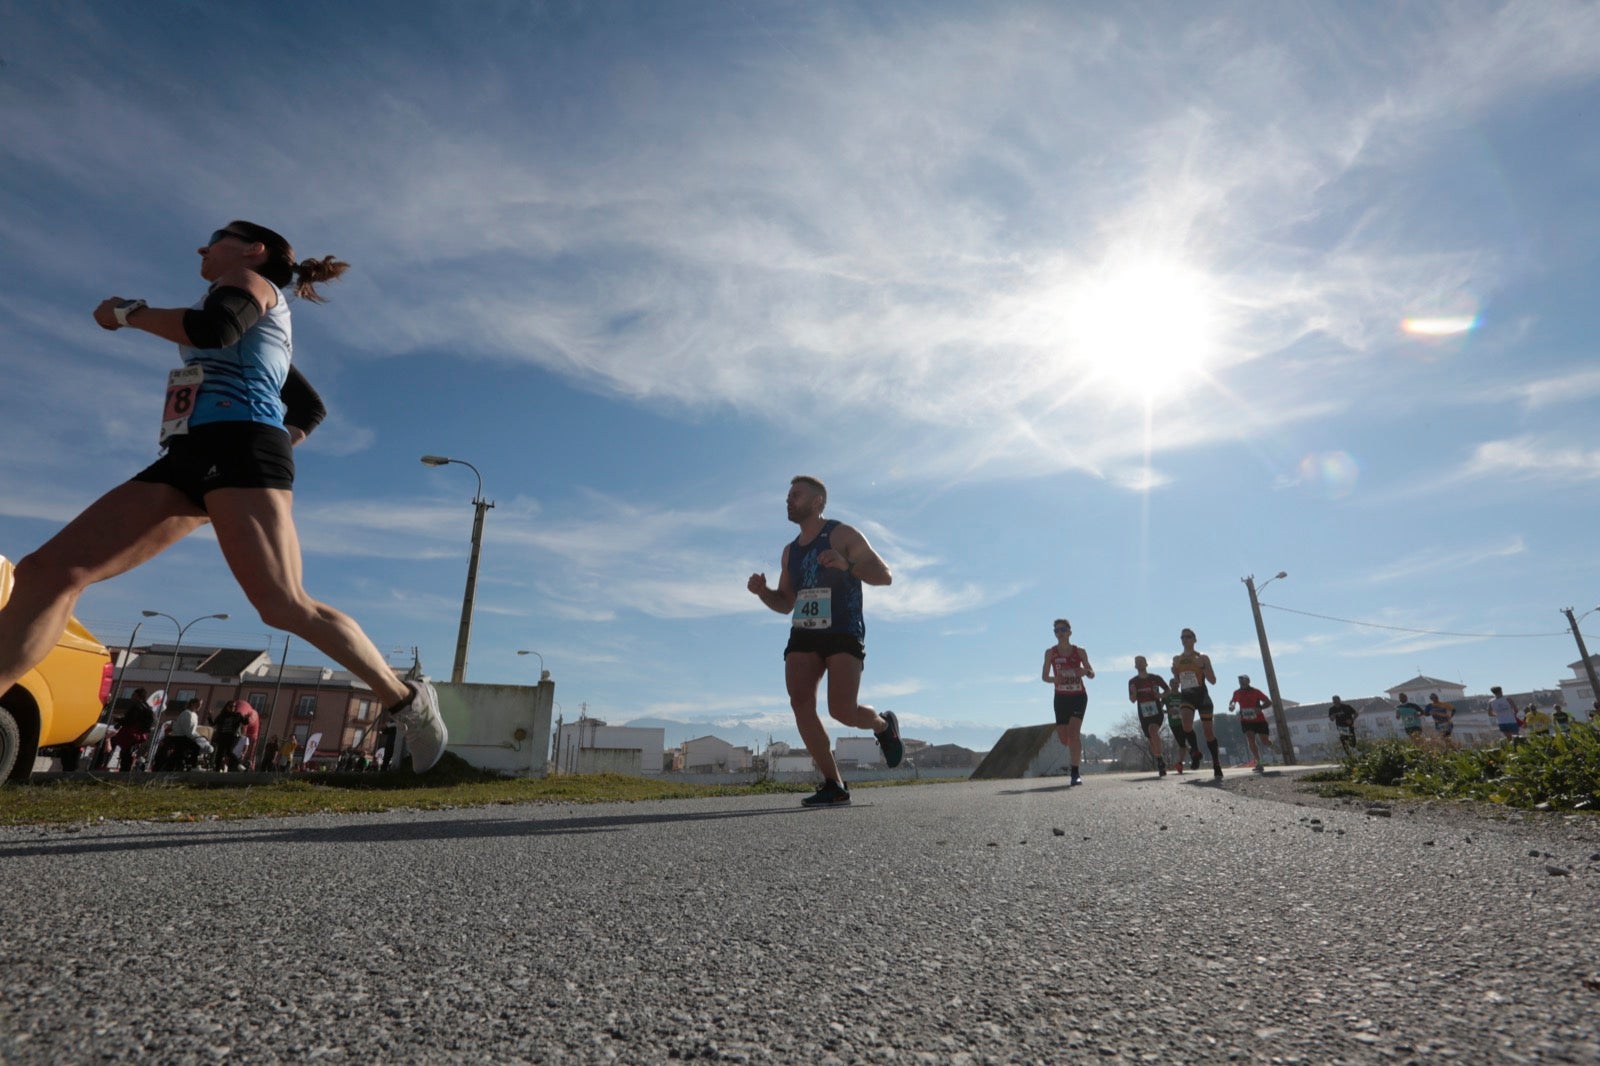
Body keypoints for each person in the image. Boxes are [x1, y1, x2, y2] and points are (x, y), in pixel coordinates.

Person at [0, 221, 446, 776]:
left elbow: (215, 329)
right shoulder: (259, 314)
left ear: (252, 250)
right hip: (188, 457)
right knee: (49, 570)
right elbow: (307, 406)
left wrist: (126, 313)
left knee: (282, 604)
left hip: (242, 451)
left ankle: (405, 699)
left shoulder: (248, 284)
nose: (200, 249)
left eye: (213, 238)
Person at [747, 476, 902, 807]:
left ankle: (882, 725)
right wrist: (763, 593)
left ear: (817, 502)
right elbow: (785, 601)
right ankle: (834, 783)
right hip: (804, 631)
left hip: (843, 628)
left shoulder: (842, 534)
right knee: (800, 701)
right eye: (787, 495)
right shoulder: (790, 552)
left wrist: (848, 565)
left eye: (796, 495)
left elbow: (884, 575)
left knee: (842, 710)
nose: (788, 500)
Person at [1041, 619, 1096, 785]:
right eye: (1056, 630)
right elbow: (1044, 677)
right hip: (1061, 698)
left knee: (1073, 734)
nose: (1060, 632)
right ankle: (1074, 763)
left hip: (1078, 696)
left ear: (1070, 632)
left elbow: (1092, 673)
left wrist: (1085, 671)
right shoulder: (1050, 653)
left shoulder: (1080, 652)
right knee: (1065, 739)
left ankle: (1075, 773)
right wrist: (1054, 679)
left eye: (1063, 629)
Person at [1172, 629, 1223, 779]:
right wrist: (1175, 673)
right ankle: (1195, 751)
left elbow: (1213, 680)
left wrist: (1203, 667)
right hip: (1187, 696)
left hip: (1202, 696)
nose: (1185, 639)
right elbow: (1179, 681)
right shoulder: (1177, 659)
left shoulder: (1203, 657)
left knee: (1208, 732)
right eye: (1182, 637)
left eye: (1188, 637)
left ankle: (1216, 763)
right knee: (1186, 725)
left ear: (1195, 640)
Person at [1128, 656, 1169, 777]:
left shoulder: (1155, 678)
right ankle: (1159, 759)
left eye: (1141, 662)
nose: (1139, 664)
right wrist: (1134, 693)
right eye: (1137, 662)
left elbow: (1168, 690)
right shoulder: (1132, 682)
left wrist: (1160, 696)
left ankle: (1160, 762)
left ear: (1146, 664)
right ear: (1135, 666)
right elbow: (1132, 700)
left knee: (1153, 730)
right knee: (1151, 738)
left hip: (1156, 711)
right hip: (1143, 713)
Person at [1229, 675, 1274, 773]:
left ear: (1249, 681)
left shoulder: (1256, 692)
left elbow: (1268, 702)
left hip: (1259, 720)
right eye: (1240, 681)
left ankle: (1271, 745)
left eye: (1244, 681)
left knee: (1265, 741)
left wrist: (1260, 708)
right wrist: (1231, 706)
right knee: (1250, 738)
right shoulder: (1237, 692)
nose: (1242, 683)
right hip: (1246, 720)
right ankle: (1259, 762)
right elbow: (1232, 702)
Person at [109, 688, 155, 773]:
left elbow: (130, 720)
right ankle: (126, 771)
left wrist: (119, 720)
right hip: (139, 734)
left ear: (139, 697)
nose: (131, 697)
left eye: (134, 695)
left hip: (130, 733)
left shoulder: (136, 706)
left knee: (125, 753)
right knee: (130, 753)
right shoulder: (147, 708)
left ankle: (124, 772)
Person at [1162, 677, 1189, 774]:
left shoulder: (1183, 696)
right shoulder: (1166, 697)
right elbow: (1159, 709)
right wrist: (1167, 711)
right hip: (1174, 723)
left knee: (1184, 744)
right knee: (1182, 744)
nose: (1175, 684)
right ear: (1170, 685)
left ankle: (1180, 763)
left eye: (1177, 683)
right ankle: (1179, 763)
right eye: (1173, 683)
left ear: (1179, 684)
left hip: (1185, 721)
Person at [211, 700, 246, 771]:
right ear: (226, 707)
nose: (233, 708)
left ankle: (239, 764)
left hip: (232, 737)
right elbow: (213, 724)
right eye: (231, 706)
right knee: (219, 753)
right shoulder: (222, 716)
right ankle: (216, 770)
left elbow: (245, 722)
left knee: (229, 752)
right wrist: (209, 716)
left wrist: (247, 718)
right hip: (222, 736)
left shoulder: (237, 715)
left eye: (234, 706)